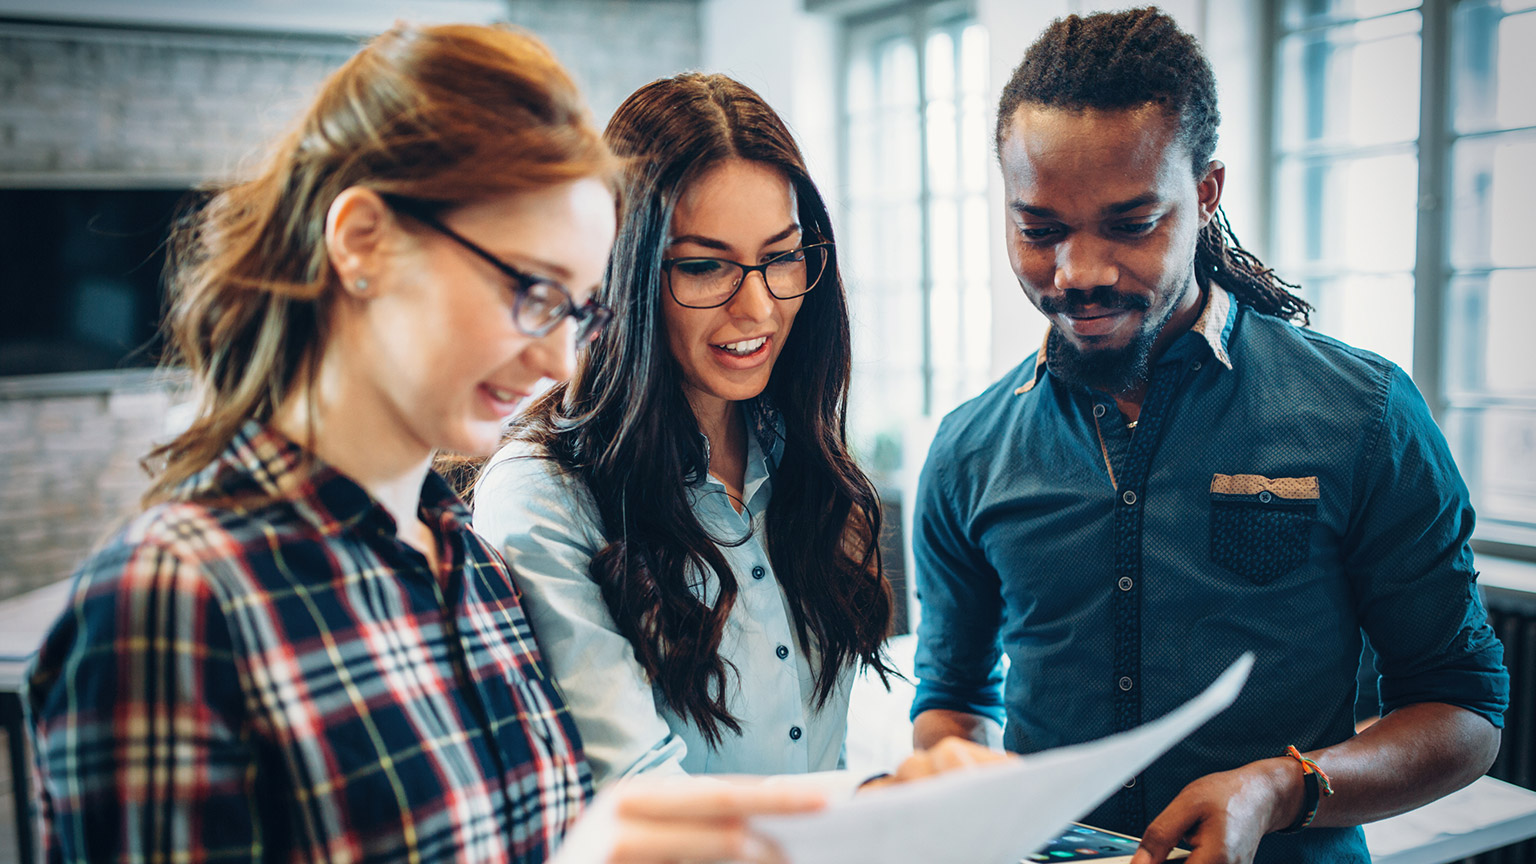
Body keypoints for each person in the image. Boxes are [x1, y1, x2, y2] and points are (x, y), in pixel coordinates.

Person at [23, 25, 830, 863]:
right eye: (529, 289)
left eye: (580, 311)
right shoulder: (177, 600)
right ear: (364, 241)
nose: (558, 359)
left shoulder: (471, 571)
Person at [909, 8, 1508, 864]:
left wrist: (1279, 787)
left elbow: (1465, 711)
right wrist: (951, 768)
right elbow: (953, 699)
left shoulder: (1362, 414)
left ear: (1205, 194)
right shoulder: (969, 449)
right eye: (1040, 230)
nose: (1077, 273)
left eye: (1129, 223)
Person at [470, 72, 895, 787]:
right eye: (704, 267)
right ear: (623, 273)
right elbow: (636, 790)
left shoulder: (801, 462)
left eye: (783, 256)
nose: (758, 308)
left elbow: (825, 756)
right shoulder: (543, 498)